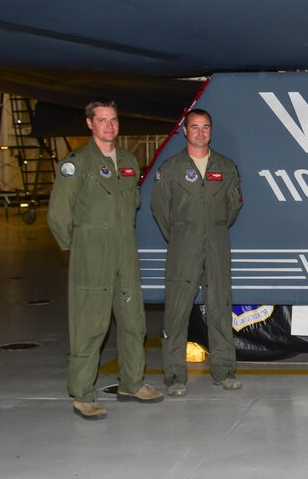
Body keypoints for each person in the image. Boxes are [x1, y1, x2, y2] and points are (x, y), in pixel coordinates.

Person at [48, 99, 164, 420]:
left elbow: (134, 204)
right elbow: (58, 214)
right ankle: (83, 394)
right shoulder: (78, 162)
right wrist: (81, 248)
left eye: (113, 120)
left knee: (133, 320)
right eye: (102, 120)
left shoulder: (127, 160)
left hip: (125, 252)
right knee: (90, 324)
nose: (109, 126)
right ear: (90, 124)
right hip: (92, 253)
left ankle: (132, 382)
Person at [151, 109, 244, 396]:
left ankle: (224, 371)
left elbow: (233, 207)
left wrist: (211, 230)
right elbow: (159, 209)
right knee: (177, 314)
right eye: (195, 127)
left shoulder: (225, 167)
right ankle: (175, 377)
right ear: (185, 131)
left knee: (219, 309)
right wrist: (183, 235)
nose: (200, 132)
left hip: (217, 246)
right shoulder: (171, 169)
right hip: (183, 248)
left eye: (205, 127)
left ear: (211, 131)